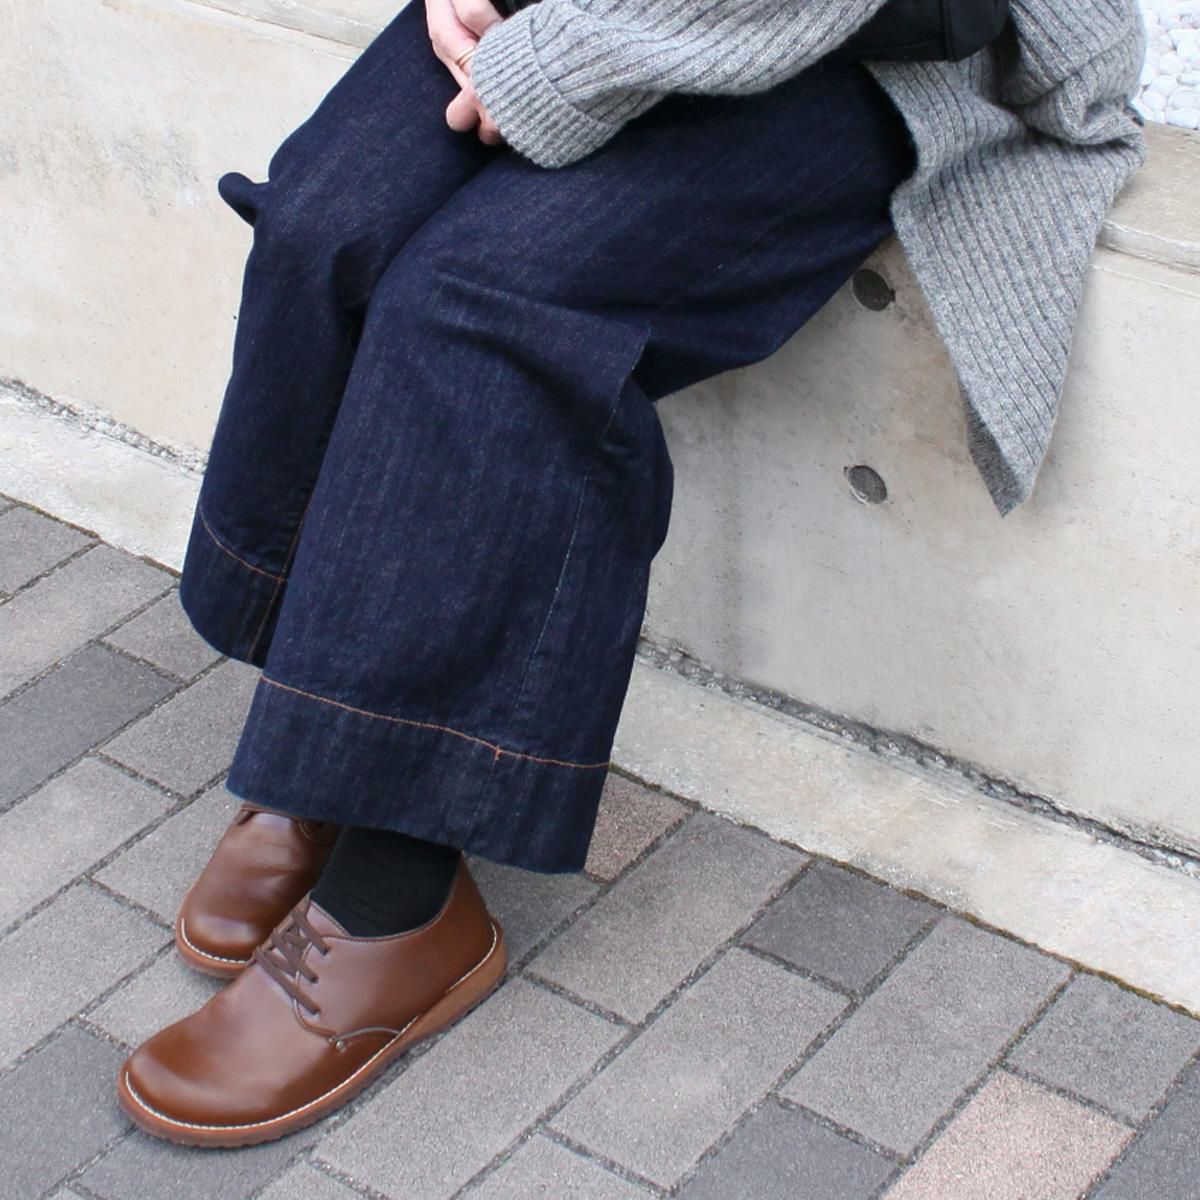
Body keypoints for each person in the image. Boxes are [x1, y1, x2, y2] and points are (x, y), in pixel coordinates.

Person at [114, 0, 1146, 1147]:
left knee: (490, 302)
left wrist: (570, 57)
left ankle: (394, 900)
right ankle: (324, 732)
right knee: (327, 223)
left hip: (848, 39)